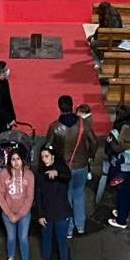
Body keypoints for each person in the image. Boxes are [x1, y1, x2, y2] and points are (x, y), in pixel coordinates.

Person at [45, 95, 97, 238]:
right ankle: (80, 226)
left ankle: (68, 229)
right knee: (79, 194)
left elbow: (48, 146)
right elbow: (94, 143)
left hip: (63, 167)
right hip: (81, 165)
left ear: (59, 107)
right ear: (72, 105)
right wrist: (89, 156)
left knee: (65, 196)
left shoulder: (55, 127)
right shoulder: (83, 124)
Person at [34, 143, 73, 260]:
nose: (44, 159)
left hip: (62, 212)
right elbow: (37, 195)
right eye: (42, 157)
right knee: (46, 239)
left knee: (62, 240)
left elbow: (67, 176)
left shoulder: (61, 169)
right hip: (47, 214)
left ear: (53, 157)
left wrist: (56, 173)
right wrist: (40, 214)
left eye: (47, 156)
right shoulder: (39, 173)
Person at [0, 148, 35, 260]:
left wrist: (19, 214)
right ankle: (11, 259)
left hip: (23, 214)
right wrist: (9, 213)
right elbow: (0, 195)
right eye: (13, 159)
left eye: (18, 159)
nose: (16, 162)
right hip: (8, 213)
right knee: (11, 237)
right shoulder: (3, 174)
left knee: (23, 238)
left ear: (23, 160)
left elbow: (29, 198)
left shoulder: (29, 175)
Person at [106, 108, 130, 229]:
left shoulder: (121, 133)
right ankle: (124, 212)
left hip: (124, 166)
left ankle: (121, 220)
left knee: (123, 192)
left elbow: (116, 149)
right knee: (128, 191)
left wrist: (110, 142)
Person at [96, 103, 130, 204]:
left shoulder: (117, 130)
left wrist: (109, 144)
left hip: (119, 162)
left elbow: (110, 150)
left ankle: (103, 201)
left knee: (113, 180)